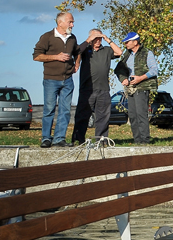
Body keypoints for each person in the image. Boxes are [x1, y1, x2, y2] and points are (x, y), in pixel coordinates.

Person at [32, 11, 80, 148]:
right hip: (51, 80)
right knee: (49, 109)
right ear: (60, 23)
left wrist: (77, 64)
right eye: (70, 22)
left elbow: (78, 52)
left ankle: (59, 138)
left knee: (65, 110)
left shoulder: (72, 38)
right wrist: (56, 57)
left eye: (73, 22)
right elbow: (36, 56)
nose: (72, 24)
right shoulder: (47, 37)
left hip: (68, 80)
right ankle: (46, 138)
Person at [72, 28, 121, 145]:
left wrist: (107, 39)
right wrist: (89, 39)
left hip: (103, 89)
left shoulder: (106, 50)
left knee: (103, 117)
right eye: (95, 38)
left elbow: (119, 52)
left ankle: (101, 141)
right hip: (87, 89)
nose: (98, 40)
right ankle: (79, 139)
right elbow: (77, 51)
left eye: (99, 38)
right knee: (82, 115)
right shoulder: (85, 50)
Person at [115, 32, 158, 145]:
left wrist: (140, 78)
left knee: (141, 114)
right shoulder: (126, 55)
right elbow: (118, 69)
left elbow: (154, 70)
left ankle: (145, 140)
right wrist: (123, 79)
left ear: (135, 42)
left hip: (142, 87)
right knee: (133, 115)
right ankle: (137, 140)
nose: (125, 44)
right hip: (130, 89)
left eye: (127, 42)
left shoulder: (147, 53)